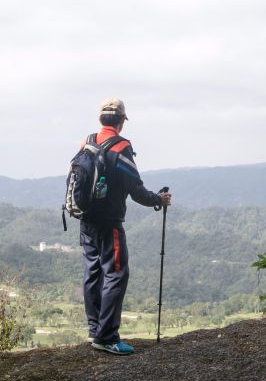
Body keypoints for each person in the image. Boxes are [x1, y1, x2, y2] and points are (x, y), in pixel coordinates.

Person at [80, 97, 172, 355]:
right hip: (110, 223)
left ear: (101, 119)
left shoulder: (87, 142)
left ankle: (94, 330)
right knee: (117, 273)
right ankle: (107, 337)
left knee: (93, 272)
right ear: (121, 121)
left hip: (86, 220)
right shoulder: (120, 147)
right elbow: (136, 190)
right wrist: (159, 200)